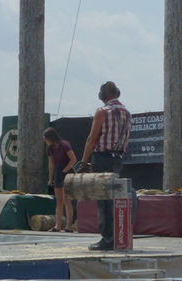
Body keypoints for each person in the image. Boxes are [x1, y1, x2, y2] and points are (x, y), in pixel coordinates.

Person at [80, 81, 132, 250]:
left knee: (103, 200)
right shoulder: (127, 113)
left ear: (104, 95)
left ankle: (107, 239)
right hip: (117, 159)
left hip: (102, 158)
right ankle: (117, 237)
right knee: (114, 199)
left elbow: (91, 139)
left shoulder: (102, 111)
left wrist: (84, 162)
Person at [44, 127, 77, 232]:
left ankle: (68, 227)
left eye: (45, 138)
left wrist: (64, 171)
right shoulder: (49, 148)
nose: (45, 141)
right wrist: (50, 179)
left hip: (67, 172)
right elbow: (51, 164)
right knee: (59, 200)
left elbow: (73, 159)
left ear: (51, 137)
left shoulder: (65, 144)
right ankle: (57, 226)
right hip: (58, 173)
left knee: (67, 200)